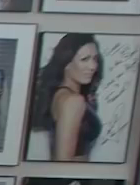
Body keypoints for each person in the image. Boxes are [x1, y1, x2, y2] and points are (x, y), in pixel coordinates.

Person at [29, 33, 104, 162]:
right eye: (84, 59)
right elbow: (63, 161)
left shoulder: (62, 95)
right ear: (66, 63)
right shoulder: (73, 101)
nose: (93, 66)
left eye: (95, 59)